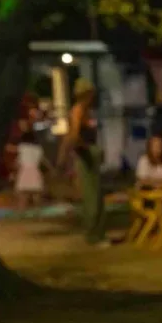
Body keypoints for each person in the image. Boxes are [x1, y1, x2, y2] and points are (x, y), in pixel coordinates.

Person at [59, 78, 107, 246]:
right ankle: (93, 235)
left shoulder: (86, 110)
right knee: (91, 196)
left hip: (90, 154)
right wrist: (84, 149)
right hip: (86, 155)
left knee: (97, 195)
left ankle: (98, 233)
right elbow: (73, 135)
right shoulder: (78, 110)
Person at [14, 130, 49, 209]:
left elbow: (19, 160)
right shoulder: (39, 149)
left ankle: (21, 215)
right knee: (37, 197)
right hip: (35, 171)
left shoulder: (21, 147)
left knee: (22, 196)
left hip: (24, 172)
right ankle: (39, 216)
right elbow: (42, 160)